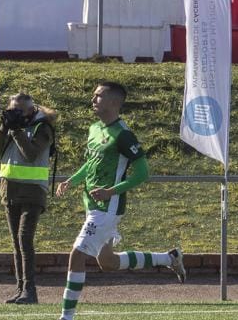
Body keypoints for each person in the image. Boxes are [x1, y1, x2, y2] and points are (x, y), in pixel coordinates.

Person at [55, 81, 186, 320]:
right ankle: (170, 258)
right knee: (108, 262)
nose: (93, 99)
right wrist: (71, 181)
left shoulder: (124, 135)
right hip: (92, 205)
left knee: (77, 254)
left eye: (98, 96)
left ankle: (66, 317)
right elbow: (91, 163)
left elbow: (142, 173)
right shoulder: (95, 128)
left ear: (114, 102)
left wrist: (111, 191)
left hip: (108, 207)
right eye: (93, 95)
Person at [0, 93, 56, 305]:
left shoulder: (42, 127)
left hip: (33, 191)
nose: (19, 113)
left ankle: (30, 290)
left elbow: (31, 154)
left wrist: (16, 130)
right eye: (14, 109)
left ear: (32, 109)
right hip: (10, 190)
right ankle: (20, 288)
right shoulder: (10, 128)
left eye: (22, 110)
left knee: (25, 239)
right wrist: (3, 128)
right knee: (16, 242)